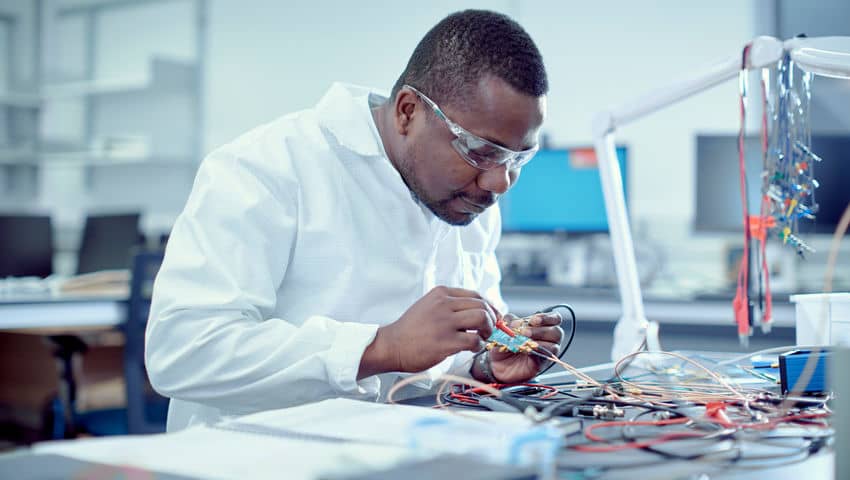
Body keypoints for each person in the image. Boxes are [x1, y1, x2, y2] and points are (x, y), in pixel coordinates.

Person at [145, 9, 563, 432]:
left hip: (403, 450)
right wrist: (381, 347)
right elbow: (182, 352)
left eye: (517, 159)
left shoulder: (467, 200)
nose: (500, 182)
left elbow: (440, 358)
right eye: (481, 151)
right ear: (407, 112)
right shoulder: (264, 169)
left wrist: (485, 365)